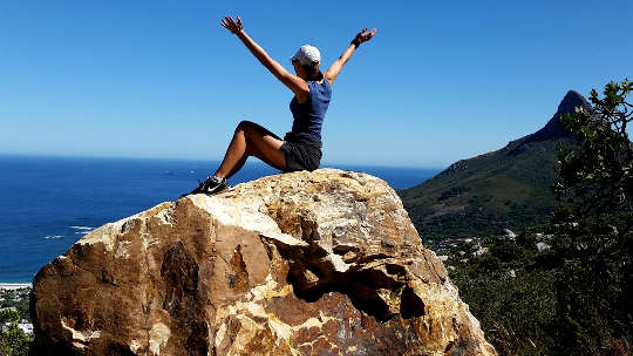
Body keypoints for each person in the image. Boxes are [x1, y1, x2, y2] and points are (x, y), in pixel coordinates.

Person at [186, 15, 376, 196]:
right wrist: (356, 41)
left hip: (301, 154)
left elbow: (266, 61)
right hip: (311, 153)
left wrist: (241, 34)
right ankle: (218, 183)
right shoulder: (327, 81)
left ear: (301, 65)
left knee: (245, 128)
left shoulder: (304, 88)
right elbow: (342, 60)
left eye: (294, 62)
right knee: (248, 145)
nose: (293, 66)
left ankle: (214, 183)